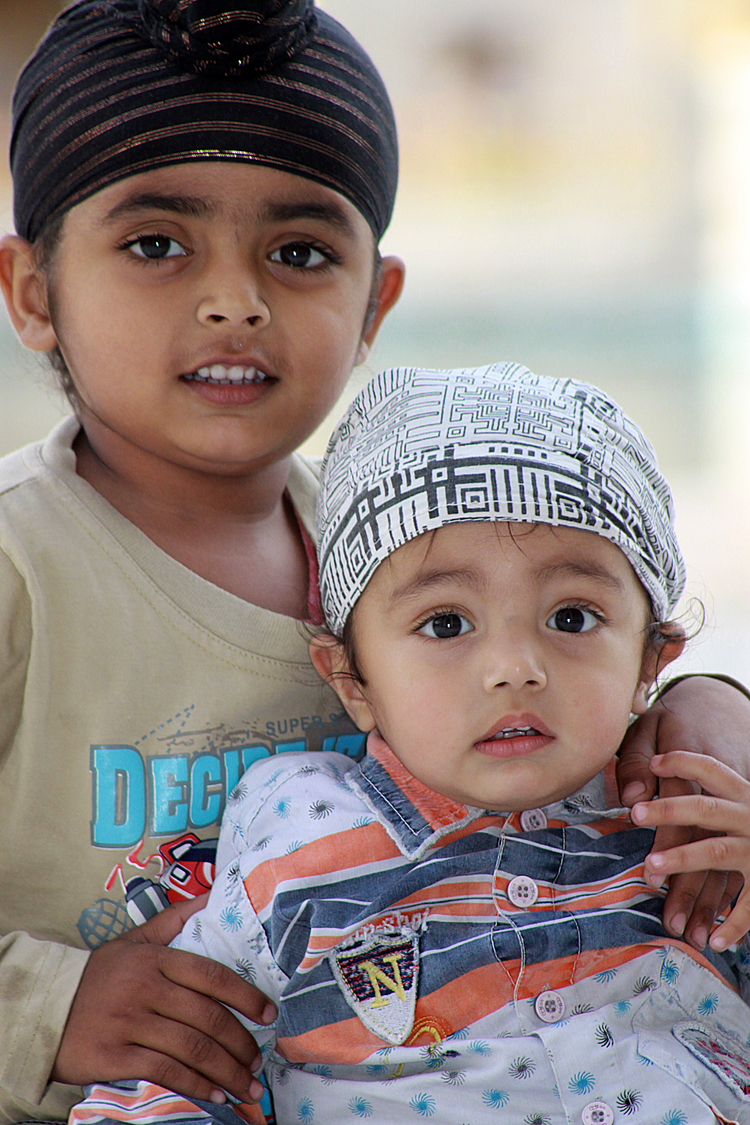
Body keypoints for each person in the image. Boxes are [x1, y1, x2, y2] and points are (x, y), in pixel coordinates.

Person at [0, 1, 749, 1121]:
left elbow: (581, 657)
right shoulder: (20, 566)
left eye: (300, 252)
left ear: (374, 305)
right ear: (33, 292)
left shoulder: (414, 549)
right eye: (156, 244)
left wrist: (702, 706)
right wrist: (45, 1007)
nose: (234, 300)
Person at [68, 363, 750, 1125]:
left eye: (572, 618)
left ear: (651, 661)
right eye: (446, 624)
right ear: (350, 679)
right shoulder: (297, 848)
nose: (515, 669)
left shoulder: (689, 825)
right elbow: (177, 1069)